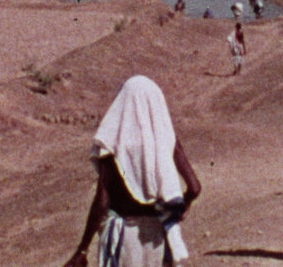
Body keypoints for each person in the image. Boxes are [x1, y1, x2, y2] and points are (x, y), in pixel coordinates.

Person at [64, 76, 201, 267]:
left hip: (124, 239)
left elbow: (102, 201)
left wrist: (82, 250)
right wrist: (181, 206)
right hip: (158, 238)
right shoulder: (166, 138)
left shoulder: (115, 143)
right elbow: (194, 187)